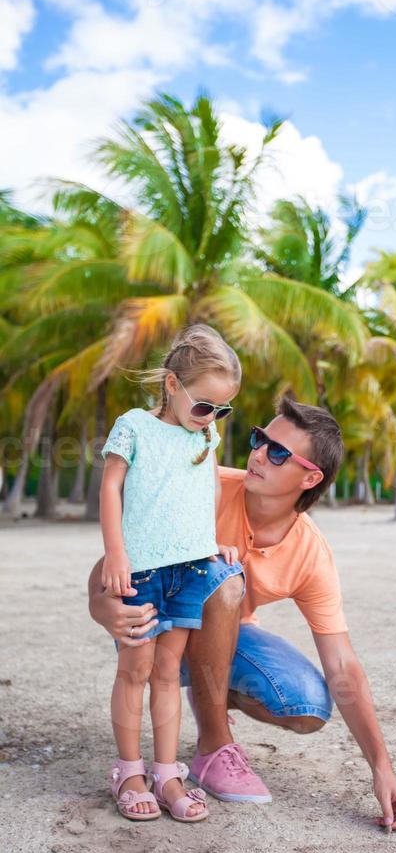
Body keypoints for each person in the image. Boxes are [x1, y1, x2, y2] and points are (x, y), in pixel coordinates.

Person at [89, 395, 396, 831]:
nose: (258, 453)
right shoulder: (203, 486)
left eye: (277, 452)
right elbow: (116, 559)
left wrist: (381, 767)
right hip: (154, 622)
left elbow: (341, 663)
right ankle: (212, 745)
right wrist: (101, 606)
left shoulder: (310, 551)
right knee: (223, 576)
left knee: (307, 704)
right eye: (260, 439)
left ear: (310, 477)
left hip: (221, 641)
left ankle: (206, 696)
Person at [99, 324, 243, 823]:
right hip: (142, 571)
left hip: (190, 568)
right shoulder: (134, 425)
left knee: (166, 673)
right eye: (205, 405)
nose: (212, 418)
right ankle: (129, 770)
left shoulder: (204, 433)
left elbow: (207, 488)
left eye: (222, 410)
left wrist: (209, 538)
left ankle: (166, 772)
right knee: (135, 670)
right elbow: (111, 487)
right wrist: (115, 553)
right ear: (172, 385)